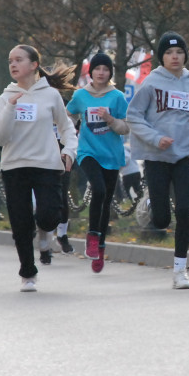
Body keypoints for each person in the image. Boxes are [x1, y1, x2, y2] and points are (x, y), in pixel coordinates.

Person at [127, 31, 189, 290]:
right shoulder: (150, 83)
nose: (174, 57)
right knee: (161, 221)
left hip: (184, 155)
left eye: (179, 52)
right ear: (161, 57)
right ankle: (149, 200)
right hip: (157, 156)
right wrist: (156, 138)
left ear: (185, 55)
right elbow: (133, 117)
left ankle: (180, 270)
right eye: (169, 53)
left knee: (183, 211)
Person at [0, 45, 78, 292]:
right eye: (10, 61)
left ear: (33, 65)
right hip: (15, 165)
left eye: (19, 60)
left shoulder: (50, 95)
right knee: (20, 223)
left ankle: (44, 233)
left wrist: (68, 150)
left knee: (49, 216)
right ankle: (28, 273)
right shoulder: (5, 97)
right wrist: (10, 108)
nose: (13, 64)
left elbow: (66, 128)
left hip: (47, 164)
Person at [66, 52, 129, 273]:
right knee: (99, 191)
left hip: (111, 155)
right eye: (97, 69)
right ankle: (92, 236)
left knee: (106, 201)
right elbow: (69, 115)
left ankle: (100, 247)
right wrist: (69, 131)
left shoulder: (117, 97)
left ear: (110, 72)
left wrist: (110, 120)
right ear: (90, 72)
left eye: (105, 69)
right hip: (88, 152)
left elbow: (126, 127)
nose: (101, 73)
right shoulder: (81, 95)